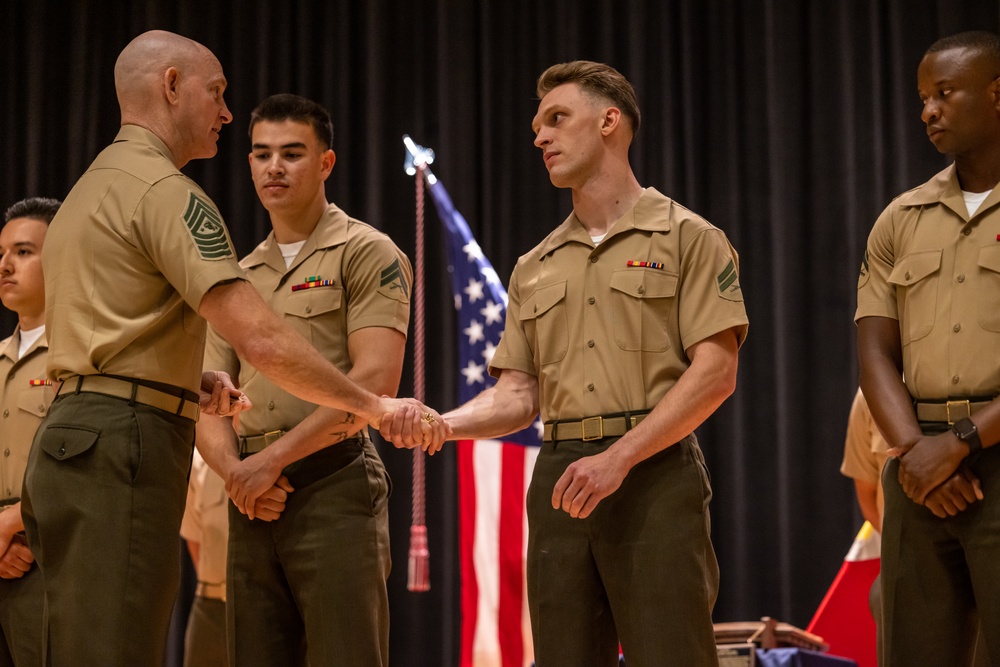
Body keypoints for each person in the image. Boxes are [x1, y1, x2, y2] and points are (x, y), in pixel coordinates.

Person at [19, 30, 445, 667]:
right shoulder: (169, 195)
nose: (223, 112)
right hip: (143, 452)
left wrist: (188, 391)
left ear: (325, 163)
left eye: (291, 153)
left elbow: (113, 344)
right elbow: (264, 342)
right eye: (216, 94)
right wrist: (375, 411)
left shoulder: (82, 194)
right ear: (170, 87)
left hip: (99, 446)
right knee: (119, 644)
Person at [382, 61, 748, 666]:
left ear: (610, 122)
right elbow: (519, 397)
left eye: (556, 118)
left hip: (654, 474)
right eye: (536, 125)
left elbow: (716, 373)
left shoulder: (689, 237)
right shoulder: (535, 265)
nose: (539, 136)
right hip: (560, 481)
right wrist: (443, 424)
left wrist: (620, 458)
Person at [197, 93, 404, 666]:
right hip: (253, 497)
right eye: (262, 154)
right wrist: (238, 474)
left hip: (333, 481)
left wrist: (271, 463)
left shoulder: (366, 252)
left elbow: (375, 383)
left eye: (292, 153)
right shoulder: (235, 276)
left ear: (326, 163)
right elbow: (206, 399)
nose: (274, 167)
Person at [857, 30, 1000, 667]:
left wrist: (961, 442)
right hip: (919, 476)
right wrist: (918, 453)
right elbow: (875, 352)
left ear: (997, 95)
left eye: (944, 93)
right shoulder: (900, 218)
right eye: (921, 98)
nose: (928, 111)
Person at [0, 197, 60, 667]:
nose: (5, 265)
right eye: (2, 253)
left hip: (47, 556)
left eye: (23, 252)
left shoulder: (80, 360)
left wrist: (13, 528)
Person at [180, 449, 229, 667]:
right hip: (210, 607)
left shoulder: (269, 445)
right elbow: (193, 538)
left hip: (263, 600)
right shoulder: (199, 461)